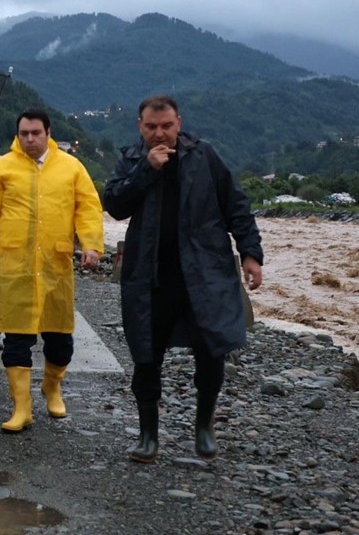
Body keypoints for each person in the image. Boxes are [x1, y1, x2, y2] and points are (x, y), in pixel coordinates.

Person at [103, 94, 263, 462]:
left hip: (204, 275)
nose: (159, 134)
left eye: (166, 126)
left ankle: (204, 426)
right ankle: (148, 436)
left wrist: (251, 254)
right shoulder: (131, 158)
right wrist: (147, 168)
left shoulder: (204, 156)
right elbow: (114, 204)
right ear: (140, 126)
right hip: (150, 277)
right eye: (151, 127)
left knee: (211, 351)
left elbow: (236, 205)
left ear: (179, 122)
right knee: (146, 354)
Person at [0, 109, 103, 434]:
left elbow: (88, 207)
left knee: (60, 339)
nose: (29, 139)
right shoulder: (1, 169)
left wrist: (91, 245)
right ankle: (21, 408)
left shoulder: (71, 168)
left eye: (35, 133)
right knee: (16, 338)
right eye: (24, 133)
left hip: (56, 267)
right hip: (16, 267)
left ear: (48, 133)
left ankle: (52, 387)